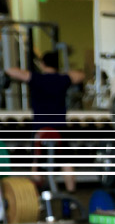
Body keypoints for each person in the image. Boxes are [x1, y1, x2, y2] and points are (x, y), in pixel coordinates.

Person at [5, 51, 85, 192]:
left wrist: (26, 74)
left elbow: (11, 71)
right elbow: (81, 75)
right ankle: (71, 196)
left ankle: (36, 199)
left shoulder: (36, 78)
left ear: (42, 64)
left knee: (36, 163)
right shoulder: (63, 79)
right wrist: (64, 74)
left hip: (41, 130)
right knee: (66, 162)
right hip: (59, 129)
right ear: (57, 65)